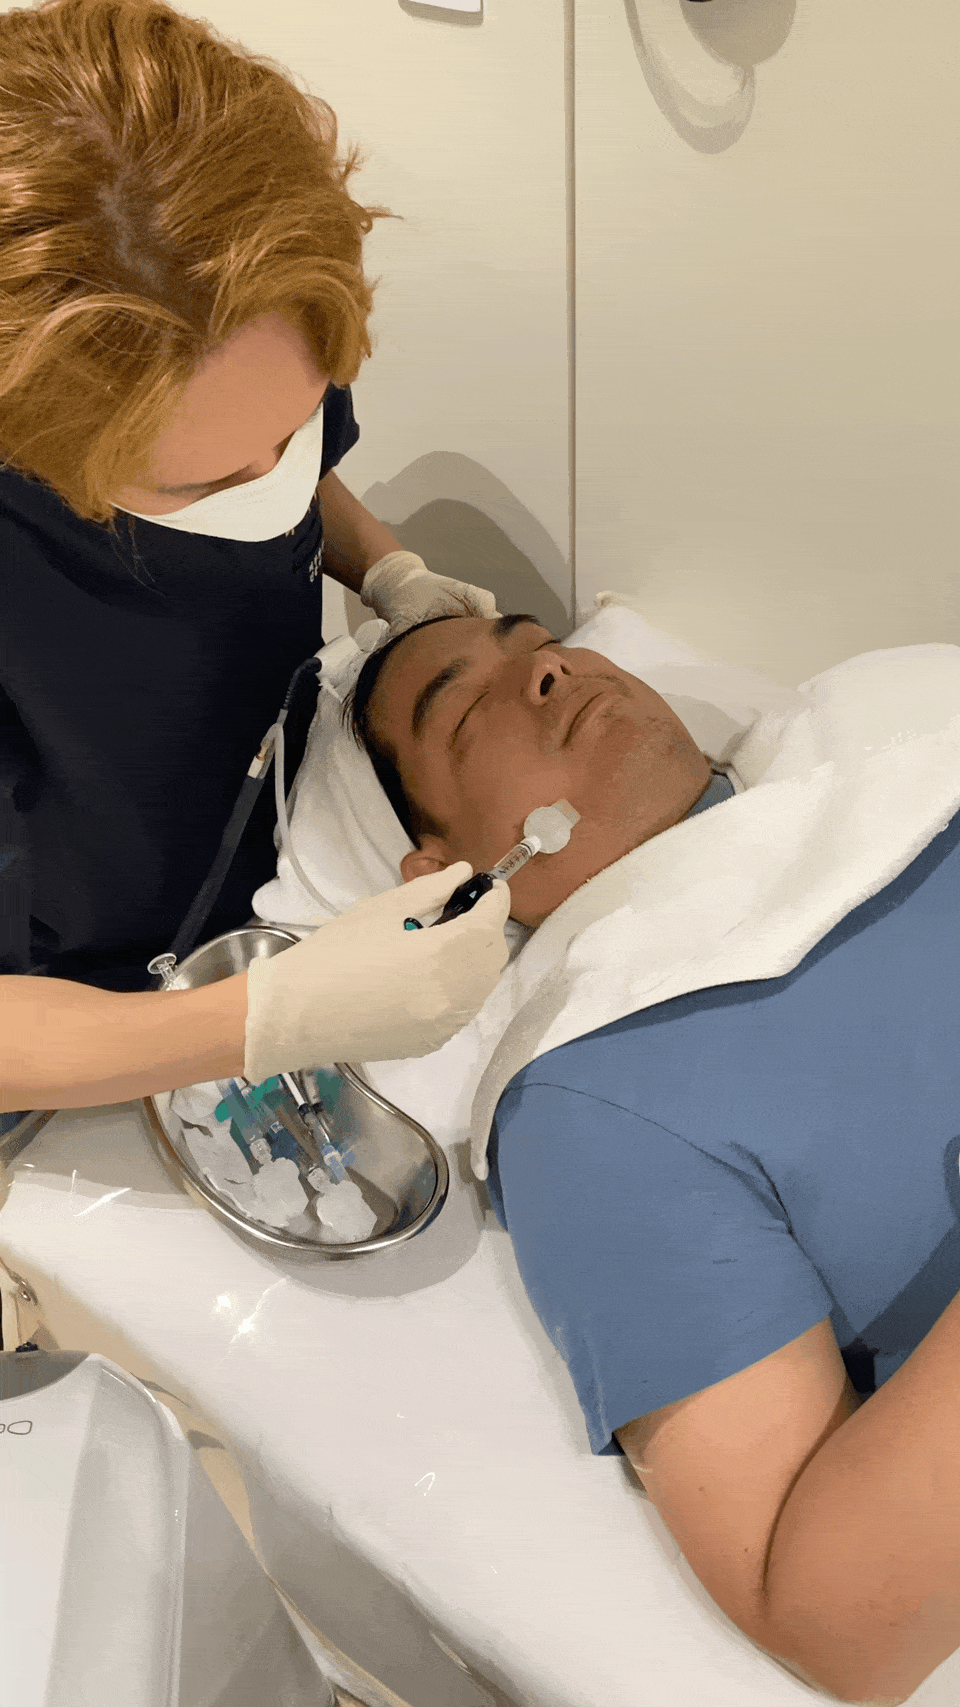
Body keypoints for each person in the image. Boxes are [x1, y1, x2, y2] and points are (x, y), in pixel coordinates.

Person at [347, 608, 960, 1706]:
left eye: (533, 640)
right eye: (463, 704)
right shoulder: (594, 1097)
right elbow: (838, 1623)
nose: (543, 666)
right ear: (440, 868)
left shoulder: (897, 709)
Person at [0, 0, 511, 1124]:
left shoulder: (233, 309)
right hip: (70, 1015)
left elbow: (276, 455)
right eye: (203, 484)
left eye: (299, 414)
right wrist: (265, 1019)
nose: (275, 475)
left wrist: (385, 569)